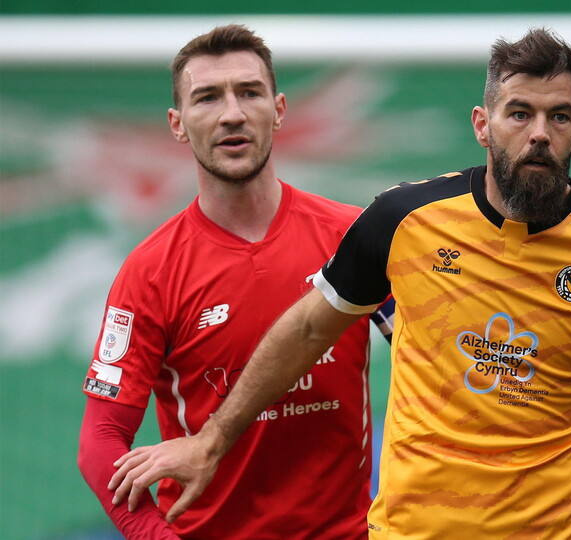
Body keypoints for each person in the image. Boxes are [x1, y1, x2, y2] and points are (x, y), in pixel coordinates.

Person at [109, 28, 571, 538]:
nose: (538, 133)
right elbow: (311, 326)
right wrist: (212, 440)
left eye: (558, 117)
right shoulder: (402, 220)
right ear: (483, 124)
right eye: (519, 113)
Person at [77, 24, 393, 540]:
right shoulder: (150, 270)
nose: (232, 114)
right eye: (207, 98)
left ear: (280, 109)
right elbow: (101, 438)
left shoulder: (354, 236)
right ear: (177, 124)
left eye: (249, 92)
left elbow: (434, 365)